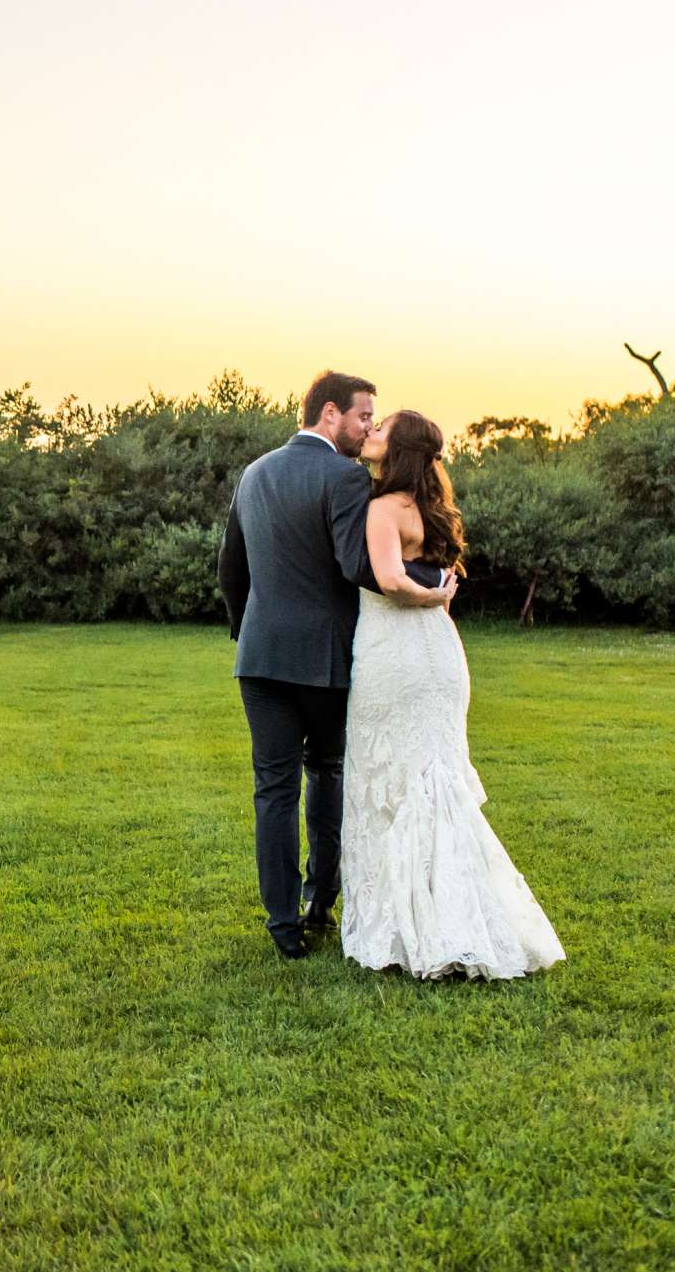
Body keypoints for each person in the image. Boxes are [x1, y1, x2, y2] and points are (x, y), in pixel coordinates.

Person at [218, 371, 457, 959]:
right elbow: (361, 567)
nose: (368, 428)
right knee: (326, 774)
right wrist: (430, 581)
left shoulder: (254, 473)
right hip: (325, 658)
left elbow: (231, 567)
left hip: (260, 657)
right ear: (330, 414)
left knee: (272, 789)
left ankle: (281, 926)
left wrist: (246, 631)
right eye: (362, 416)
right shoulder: (346, 477)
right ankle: (320, 905)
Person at [339, 408, 562, 980]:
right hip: (439, 655)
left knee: (397, 780)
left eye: (381, 428)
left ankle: (421, 930)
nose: (371, 433)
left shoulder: (385, 508)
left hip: (398, 652)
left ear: (399, 450)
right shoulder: (430, 511)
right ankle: (454, 914)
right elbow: (434, 575)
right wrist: (439, 598)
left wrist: (430, 598)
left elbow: (388, 579)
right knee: (433, 779)